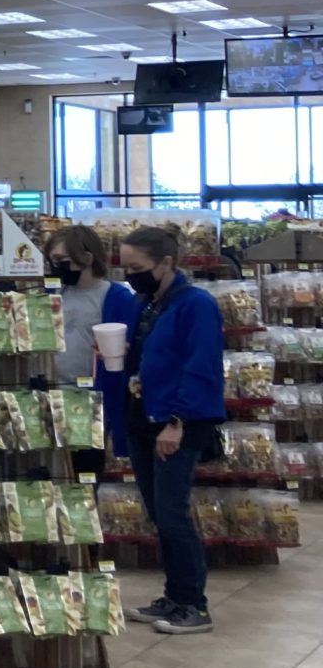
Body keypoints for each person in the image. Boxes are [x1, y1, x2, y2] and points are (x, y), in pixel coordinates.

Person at [120, 224, 222, 636]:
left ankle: (194, 603)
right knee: (157, 513)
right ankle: (174, 595)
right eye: (124, 267)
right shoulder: (146, 304)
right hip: (143, 418)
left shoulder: (195, 305)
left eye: (137, 267)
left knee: (173, 513)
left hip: (177, 423)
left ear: (166, 263)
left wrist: (177, 422)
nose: (129, 276)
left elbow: (200, 366)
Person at [45, 225, 136, 471]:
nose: (56, 267)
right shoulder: (51, 294)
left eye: (61, 260)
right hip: (50, 395)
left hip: (90, 400)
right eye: (52, 261)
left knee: (85, 473)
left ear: (86, 258)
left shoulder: (117, 297)